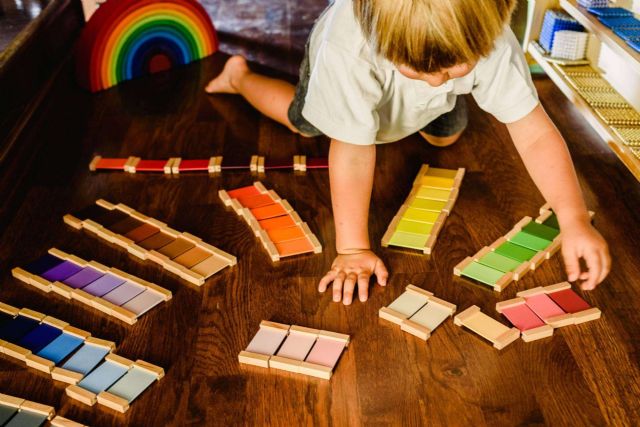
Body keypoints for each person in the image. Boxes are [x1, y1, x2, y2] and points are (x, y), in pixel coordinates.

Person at [205, 0, 610, 305]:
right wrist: (352, 250)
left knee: (445, 136)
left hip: (416, 82)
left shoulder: (490, 39)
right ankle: (239, 77)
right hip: (349, 75)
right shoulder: (346, 49)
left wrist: (572, 217)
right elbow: (351, 152)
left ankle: (442, 95)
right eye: (419, 70)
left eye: (454, 69)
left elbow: (535, 133)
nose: (435, 82)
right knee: (306, 124)